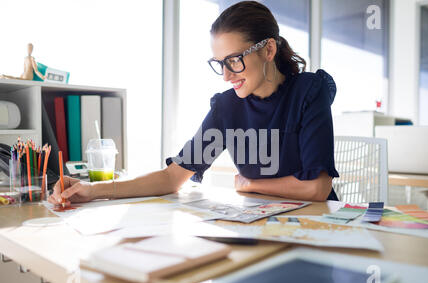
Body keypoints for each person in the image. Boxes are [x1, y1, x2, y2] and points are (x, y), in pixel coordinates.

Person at [48, 1, 339, 207]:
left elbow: (316, 188)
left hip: (317, 228)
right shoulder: (228, 108)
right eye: (219, 64)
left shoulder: (309, 92)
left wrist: (251, 185)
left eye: (234, 61)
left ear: (268, 50)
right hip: (262, 228)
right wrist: (93, 190)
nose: (226, 75)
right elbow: (172, 177)